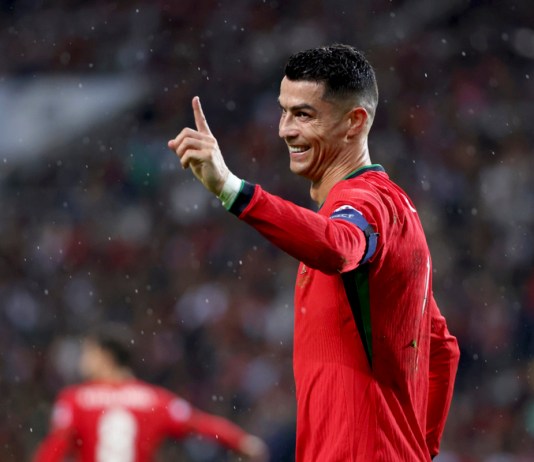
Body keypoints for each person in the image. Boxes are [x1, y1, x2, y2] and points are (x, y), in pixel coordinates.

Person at [168, 43, 460, 461]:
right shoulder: (394, 210)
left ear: (354, 123)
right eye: (283, 111)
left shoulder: (366, 203)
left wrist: (231, 190)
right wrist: (418, 450)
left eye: (303, 114)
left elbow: (339, 247)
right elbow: (441, 351)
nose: (285, 129)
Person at [33, 324, 269, 462]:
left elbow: (56, 447)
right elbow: (200, 424)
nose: (82, 361)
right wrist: (241, 441)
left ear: (105, 356)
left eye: (88, 353)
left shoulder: (75, 399)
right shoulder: (155, 400)